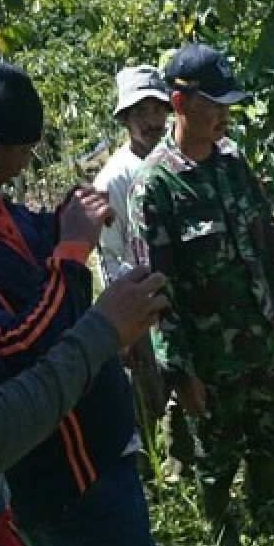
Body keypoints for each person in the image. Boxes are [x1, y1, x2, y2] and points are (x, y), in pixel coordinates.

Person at [0, 61, 179, 546]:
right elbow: (18, 352)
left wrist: (70, 219)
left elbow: (47, 238)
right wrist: (69, 259)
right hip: (66, 483)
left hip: (99, 457)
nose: (3, 167)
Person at [129, 44, 274, 546]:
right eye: (215, 103)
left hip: (258, 336)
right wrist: (180, 372)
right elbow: (156, 292)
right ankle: (224, 538)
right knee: (216, 451)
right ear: (180, 103)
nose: (224, 114)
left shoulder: (232, 164)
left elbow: (267, 237)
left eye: (229, 103)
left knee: (268, 429)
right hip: (209, 356)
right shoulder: (156, 187)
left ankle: (269, 515)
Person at [93, 66, 192, 480]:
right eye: (141, 113)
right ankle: (153, 480)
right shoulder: (114, 178)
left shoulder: (176, 162)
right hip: (143, 304)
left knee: (186, 389)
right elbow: (110, 257)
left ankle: (186, 467)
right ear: (125, 119)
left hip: (180, 296)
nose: (152, 121)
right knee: (151, 395)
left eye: (157, 110)